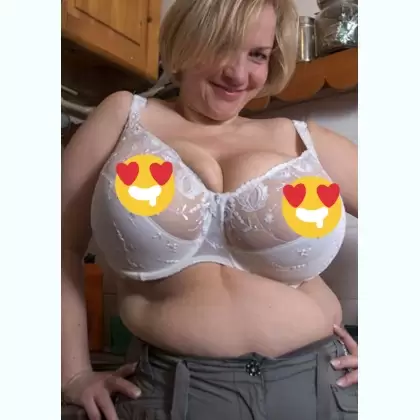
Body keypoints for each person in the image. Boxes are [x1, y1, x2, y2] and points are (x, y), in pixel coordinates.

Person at [61, 0, 358, 419]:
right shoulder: (125, 116)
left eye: (257, 55)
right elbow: (56, 244)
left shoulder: (299, 139)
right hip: (173, 390)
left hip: (320, 385)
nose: (238, 74)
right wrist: (73, 373)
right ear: (187, 40)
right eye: (222, 45)